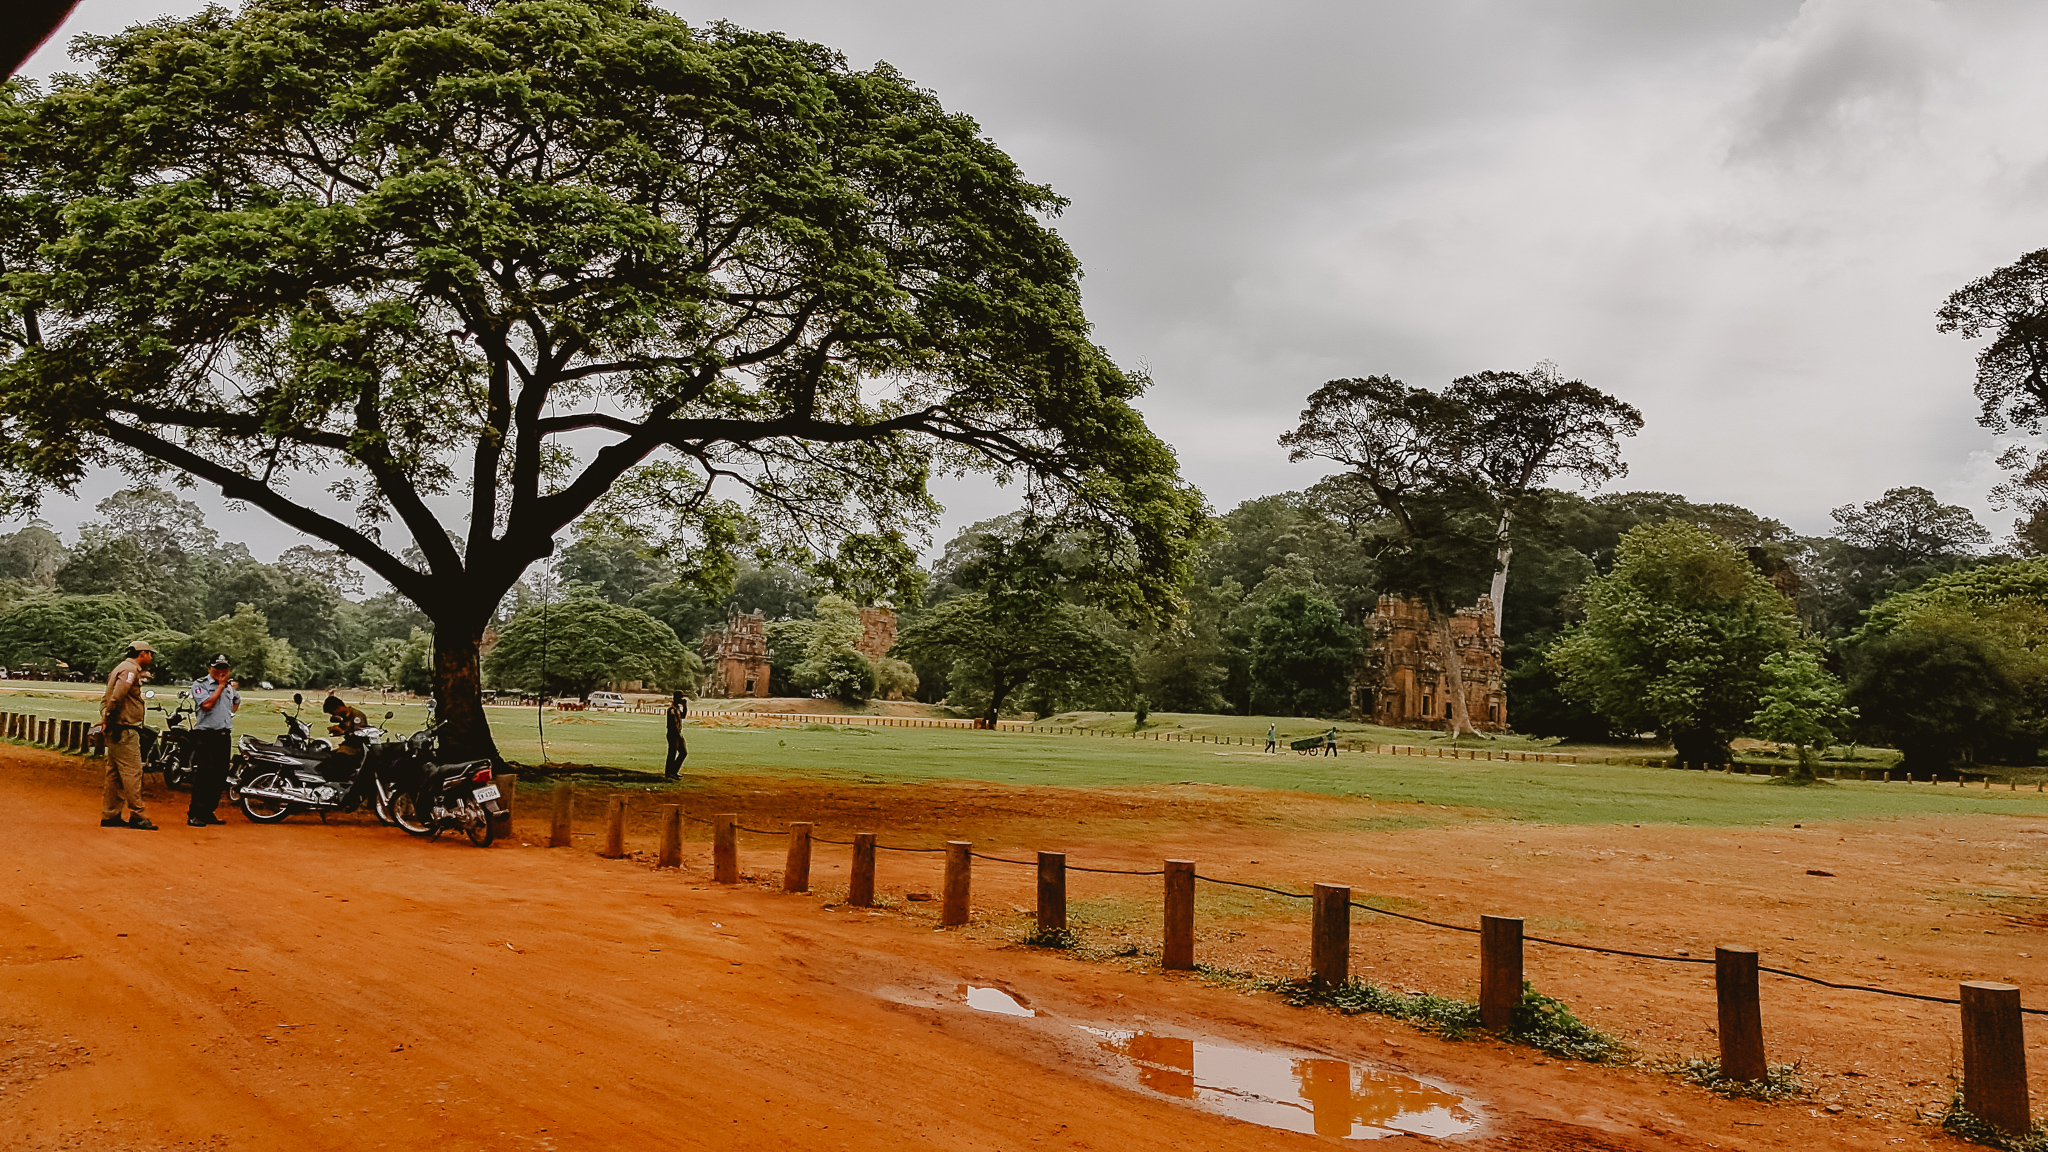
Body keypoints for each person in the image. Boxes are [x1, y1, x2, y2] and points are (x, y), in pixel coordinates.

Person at [98, 640, 156, 830]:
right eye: (150, 653)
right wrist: (110, 718)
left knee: (114, 773)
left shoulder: (121, 667)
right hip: (125, 727)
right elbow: (117, 697)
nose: (151, 657)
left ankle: (111, 813)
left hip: (117, 727)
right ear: (143, 653)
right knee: (132, 772)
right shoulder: (130, 671)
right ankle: (137, 814)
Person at [186, 654, 240, 827]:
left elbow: (236, 701)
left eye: (224, 668)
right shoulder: (200, 684)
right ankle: (196, 813)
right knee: (204, 775)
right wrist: (221, 686)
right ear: (210, 668)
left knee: (219, 776)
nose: (221, 672)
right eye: (217, 668)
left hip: (223, 735)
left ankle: (208, 811)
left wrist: (228, 714)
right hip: (207, 735)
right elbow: (207, 705)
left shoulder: (230, 688)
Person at [664, 691, 689, 779]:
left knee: (683, 753)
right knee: (672, 753)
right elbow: (673, 725)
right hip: (673, 734)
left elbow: (683, 716)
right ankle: (669, 773)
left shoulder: (677, 708)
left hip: (678, 733)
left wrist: (685, 707)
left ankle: (673, 771)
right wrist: (678, 735)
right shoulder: (672, 709)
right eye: (680, 697)